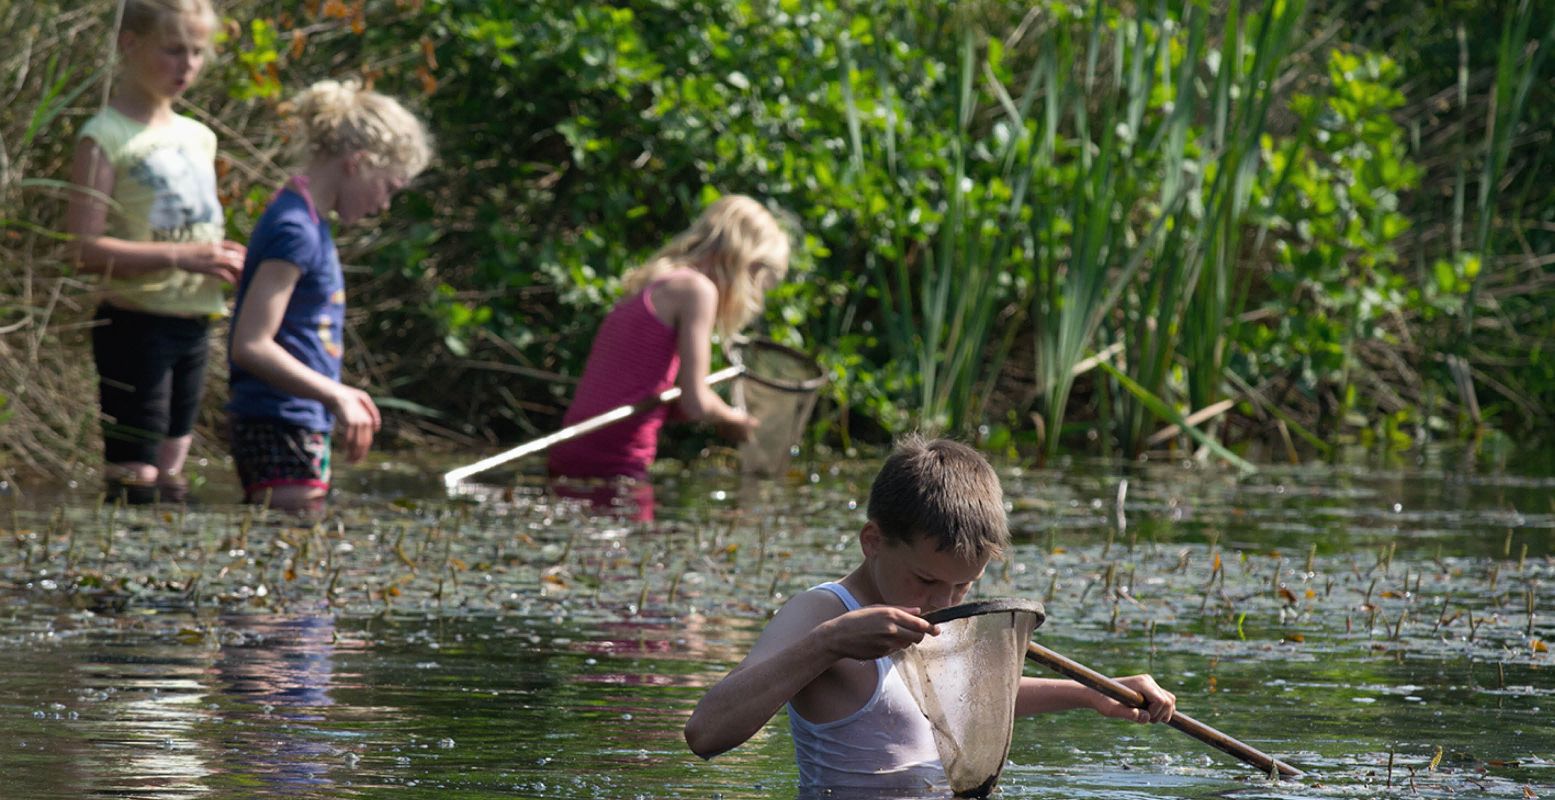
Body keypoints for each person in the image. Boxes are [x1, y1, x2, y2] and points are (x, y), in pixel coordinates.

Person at [683, 435, 1178, 792]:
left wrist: (1091, 694)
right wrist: (827, 644)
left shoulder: (938, 603)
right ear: (873, 541)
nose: (944, 603)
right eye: (925, 581)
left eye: (963, 583)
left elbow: (954, 701)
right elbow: (705, 734)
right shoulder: (823, 611)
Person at [65, 0, 246, 504]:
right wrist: (182, 257)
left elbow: (195, 228)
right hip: (135, 325)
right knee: (134, 478)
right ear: (130, 45)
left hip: (195, 322)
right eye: (172, 51)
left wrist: (223, 257)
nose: (186, 65)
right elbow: (82, 249)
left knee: (171, 474)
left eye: (196, 52)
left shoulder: (200, 137)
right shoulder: (104, 136)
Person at [226, 79, 431, 513]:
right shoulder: (295, 229)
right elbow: (251, 344)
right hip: (277, 419)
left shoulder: (308, 220)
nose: (385, 205)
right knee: (291, 548)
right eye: (388, 187)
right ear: (358, 163)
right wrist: (336, 395)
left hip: (298, 417)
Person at [546, 194, 790, 518]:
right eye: (757, 281)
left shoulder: (656, 283)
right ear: (743, 260)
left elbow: (648, 394)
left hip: (572, 448)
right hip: (616, 460)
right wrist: (734, 419)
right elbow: (696, 401)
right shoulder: (697, 290)